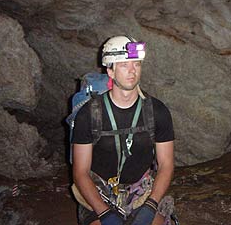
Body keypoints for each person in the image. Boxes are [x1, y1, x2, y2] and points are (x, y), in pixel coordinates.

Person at [72, 35, 174, 225]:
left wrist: (150, 206)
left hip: (140, 193)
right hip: (99, 191)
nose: (132, 71)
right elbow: (80, 171)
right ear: (110, 71)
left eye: (136, 64)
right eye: (124, 65)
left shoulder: (157, 111)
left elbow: (166, 164)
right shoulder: (89, 115)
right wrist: (104, 213)